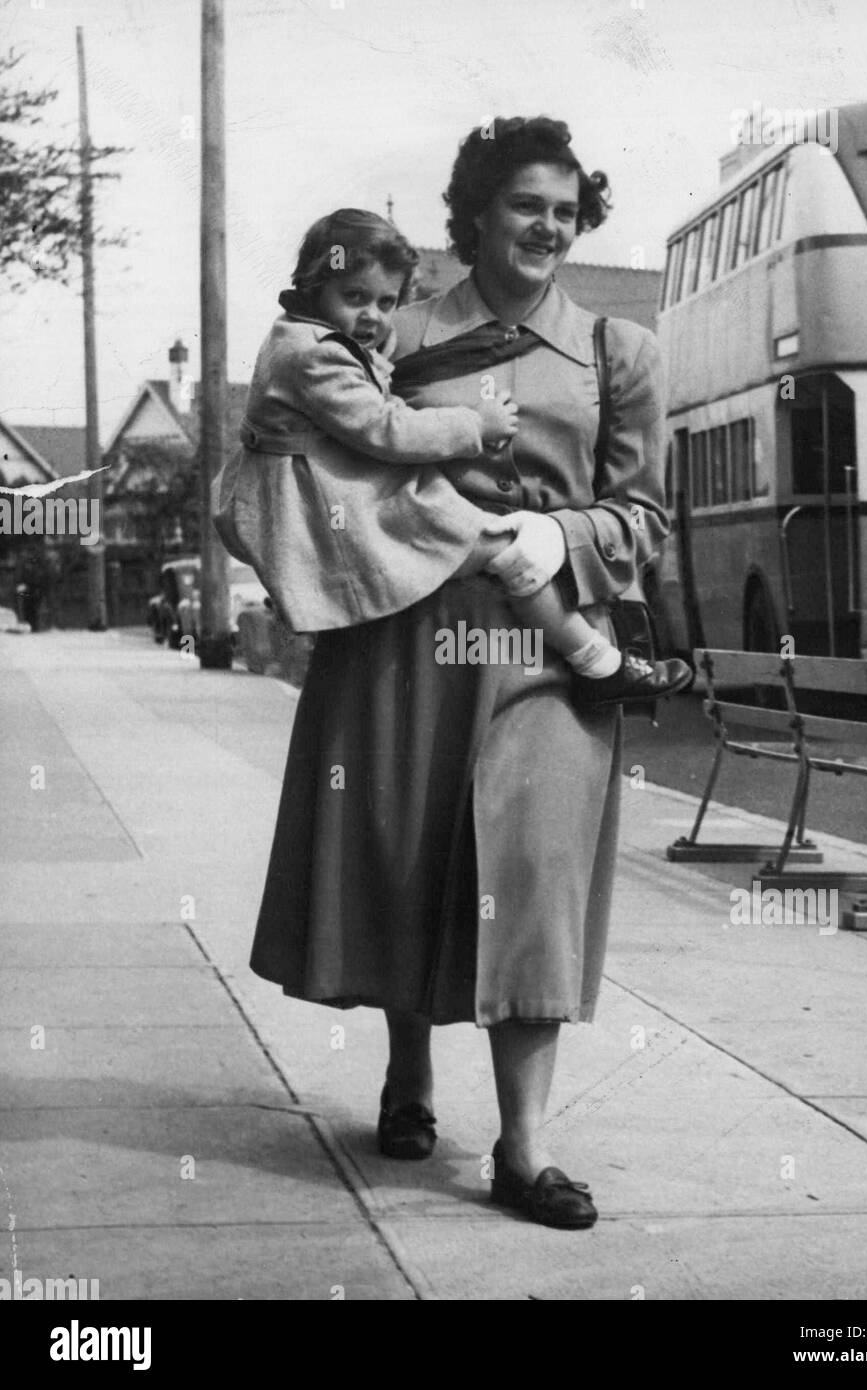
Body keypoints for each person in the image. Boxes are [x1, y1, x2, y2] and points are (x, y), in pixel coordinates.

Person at [250, 116, 675, 1230]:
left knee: (530, 877)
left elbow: (645, 518)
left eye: (567, 209)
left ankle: (524, 1149)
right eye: (526, 204)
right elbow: (312, 450)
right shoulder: (388, 330)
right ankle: (408, 1077)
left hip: (543, 643)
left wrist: (570, 538)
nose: (549, 225)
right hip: (407, 633)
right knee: (409, 857)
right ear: (477, 212)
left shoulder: (615, 353)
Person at [221, 207, 689, 706]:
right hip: (335, 498)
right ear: (315, 287)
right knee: (510, 549)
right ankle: (598, 663)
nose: (373, 317)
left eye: (386, 301)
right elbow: (385, 426)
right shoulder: (316, 354)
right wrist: (475, 425)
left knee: (496, 549)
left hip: (329, 487)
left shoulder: (304, 337)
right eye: (354, 297)